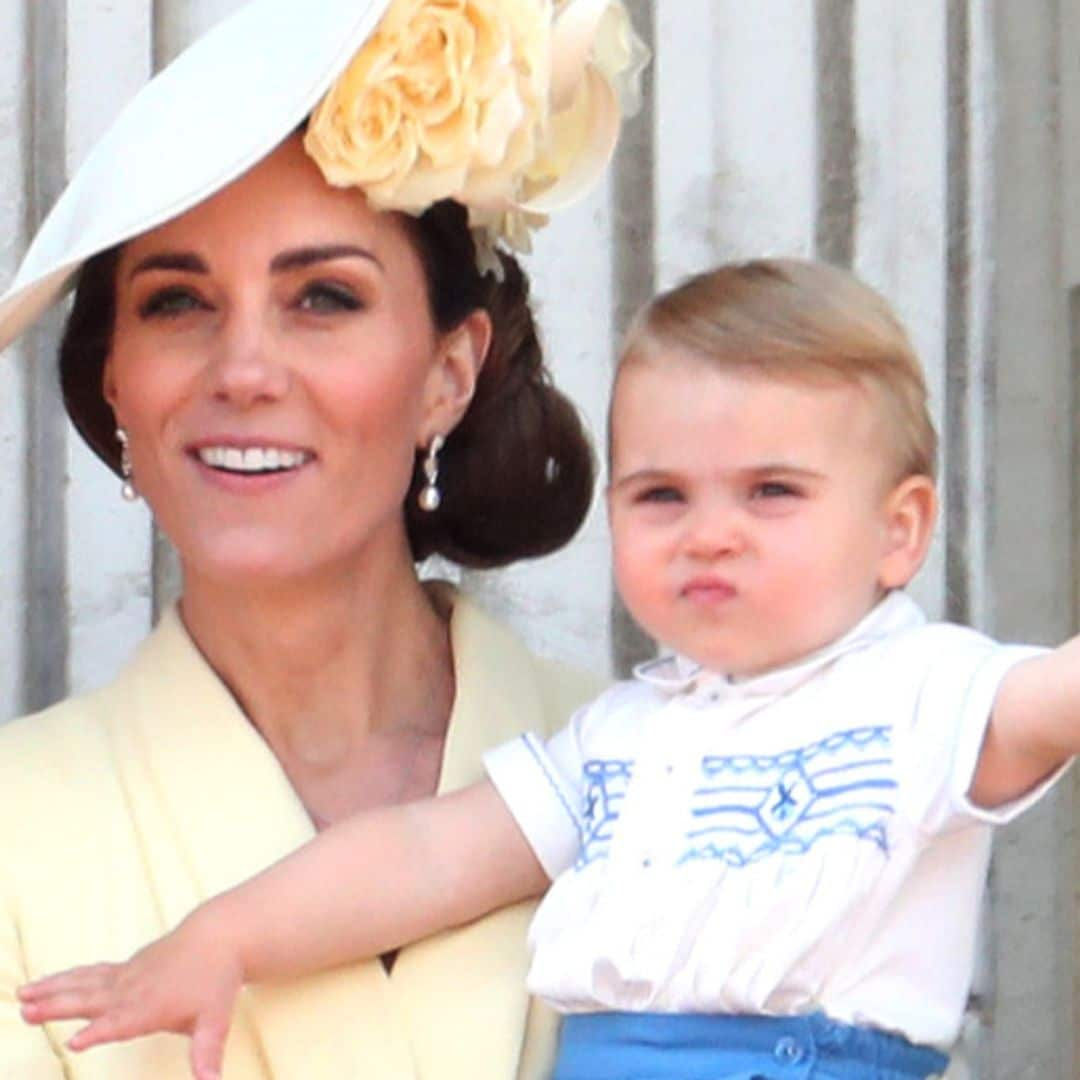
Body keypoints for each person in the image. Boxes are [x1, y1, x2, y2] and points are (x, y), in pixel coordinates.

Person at [20, 258, 1077, 1080]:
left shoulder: (926, 697)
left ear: (901, 533)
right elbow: (426, 859)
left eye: (771, 493)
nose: (709, 535)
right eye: (663, 496)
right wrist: (226, 938)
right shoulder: (617, 740)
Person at [0, 0, 648, 1077]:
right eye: (174, 303)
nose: (242, 371)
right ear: (117, 379)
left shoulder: (655, 764)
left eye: (324, 297)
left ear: (450, 373)